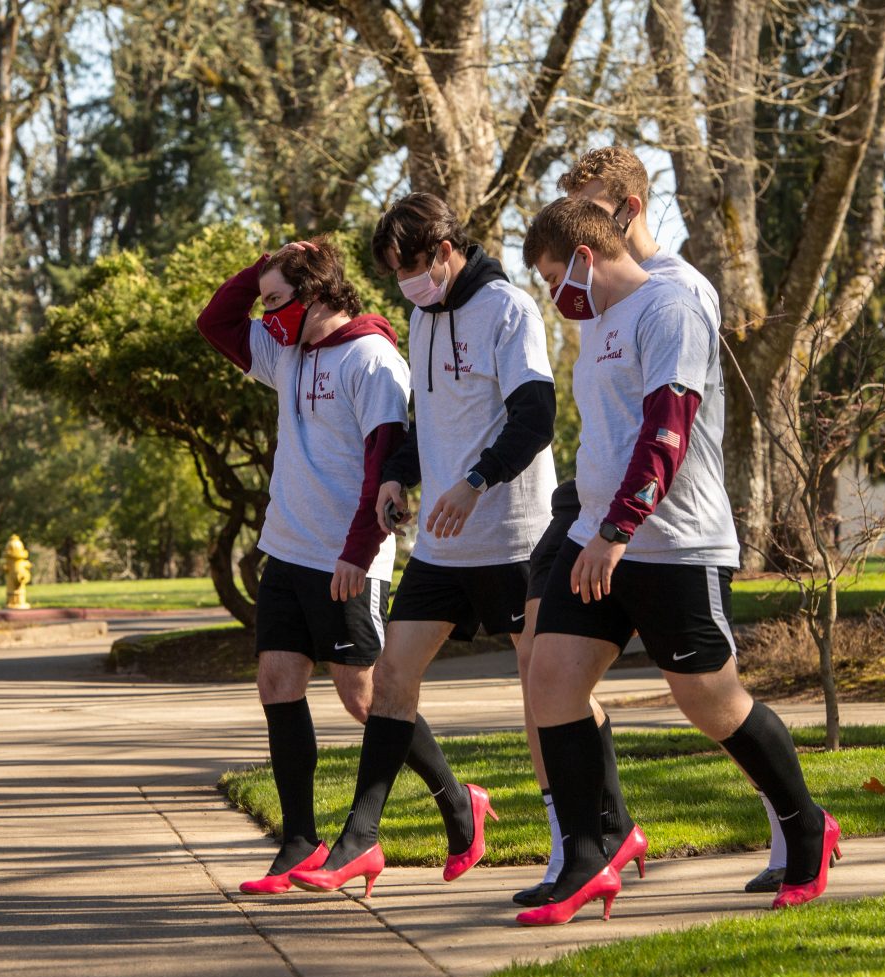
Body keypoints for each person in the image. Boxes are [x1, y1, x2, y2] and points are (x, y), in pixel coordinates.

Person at [516, 197, 839, 926]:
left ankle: (806, 827)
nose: (554, 294)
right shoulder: (597, 322)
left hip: (673, 544)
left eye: (553, 277)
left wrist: (617, 529)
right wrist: (594, 529)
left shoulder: (671, 309)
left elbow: (668, 430)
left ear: (585, 258)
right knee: (551, 680)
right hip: (596, 538)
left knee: (711, 703)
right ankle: (586, 859)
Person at [288, 193, 557, 897]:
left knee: (550, 691)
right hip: (442, 546)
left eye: (410, 266)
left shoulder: (510, 309)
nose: (404, 281)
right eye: (394, 271)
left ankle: (595, 835)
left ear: (443, 250)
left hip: (514, 537)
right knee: (392, 677)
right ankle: (359, 839)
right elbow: (426, 421)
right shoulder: (422, 316)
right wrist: (398, 475)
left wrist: (475, 482)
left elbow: (535, 418)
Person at [196, 238, 478, 894]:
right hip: (287, 547)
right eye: (264, 303)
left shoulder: (373, 360)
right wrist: (262, 270)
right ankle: (299, 841)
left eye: (276, 301)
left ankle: (459, 799)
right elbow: (215, 322)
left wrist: (358, 551)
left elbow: (385, 468)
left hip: (348, 557)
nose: (265, 316)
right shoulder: (286, 353)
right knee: (276, 682)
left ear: (316, 293)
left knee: (366, 697)